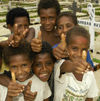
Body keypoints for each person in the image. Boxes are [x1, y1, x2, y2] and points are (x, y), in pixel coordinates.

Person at [54, 26, 98, 101]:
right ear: (67, 49)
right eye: (74, 48)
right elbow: (67, 66)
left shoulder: (89, 74)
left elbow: (89, 98)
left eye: (83, 50)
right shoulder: (61, 66)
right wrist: (74, 66)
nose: (79, 54)